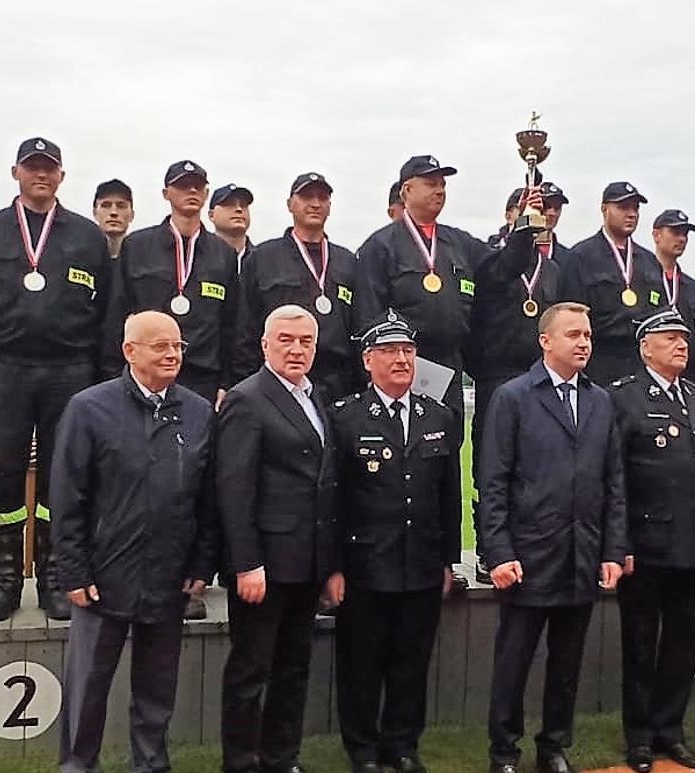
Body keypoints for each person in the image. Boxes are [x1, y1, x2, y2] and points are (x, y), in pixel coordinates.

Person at [50, 311, 215, 773]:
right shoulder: (88, 408)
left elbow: (207, 499)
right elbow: (67, 496)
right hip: (104, 577)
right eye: (159, 346)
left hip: (167, 576)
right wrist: (72, 571)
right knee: (88, 688)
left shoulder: (199, 411)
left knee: (156, 690)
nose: (172, 355)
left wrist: (202, 564)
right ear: (129, 352)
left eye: (178, 347)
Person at [0, 138, 111, 622]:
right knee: (1, 473)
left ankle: (54, 578)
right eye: (32, 167)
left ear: (62, 175)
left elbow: (105, 312)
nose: (41, 175)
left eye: (50, 168)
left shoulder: (87, 237)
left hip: (70, 370)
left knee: (62, 479)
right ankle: (4, 582)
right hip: (4, 368)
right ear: (15, 172)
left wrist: (103, 375)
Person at [478, 302, 627, 773]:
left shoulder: (602, 401)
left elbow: (614, 482)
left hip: (582, 554)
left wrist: (612, 547)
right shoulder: (514, 397)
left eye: (587, 334)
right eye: (572, 335)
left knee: (567, 663)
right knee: (513, 663)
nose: (584, 343)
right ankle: (504, 755)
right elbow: (492, 480)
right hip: (528, 555)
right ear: (546, 341)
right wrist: (497, 551)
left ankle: (555, 748)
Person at [329, 311, 462, 773]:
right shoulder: (345, 417)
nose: (402, 359)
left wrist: (449, 558)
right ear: (368, 360)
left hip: (421, 564)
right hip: (365, 566)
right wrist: (334, 567)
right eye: (389, 351)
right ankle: (363, 750)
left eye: (407, 350)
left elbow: (449, 498)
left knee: (411, 663)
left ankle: (402, 745)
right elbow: (333, 501)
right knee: (362, 665)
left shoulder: (438, 416)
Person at [217, 306, 342, 773]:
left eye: (305, 341)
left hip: (307, 562)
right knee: (250, 671)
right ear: (264, 344)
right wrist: (247, 563)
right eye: (286, 340)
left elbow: (325, 488)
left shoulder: (316, 398)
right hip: (263, 568)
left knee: (294, 666)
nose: (297, 350)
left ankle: (280, 757)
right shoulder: (247, 400)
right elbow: (233, 488)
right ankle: (242, 771)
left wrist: (330, 564)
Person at [609, 310, 695, 773]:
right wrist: (621, 542)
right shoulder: (625, 399)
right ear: (645, 347)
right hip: (646, 543)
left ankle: (670, 730)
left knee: (682, 643)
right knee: (639, 643)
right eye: (670, 337)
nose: (681, 345)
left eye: (684, 339)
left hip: (692, 543)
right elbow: (615, 477)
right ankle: (638, 736)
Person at [468, 183, 568, 583]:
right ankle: (487, 547)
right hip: (496, 375)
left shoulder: (556, 268)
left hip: (541, 379)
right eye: (539, 211)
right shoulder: (490, 256)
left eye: (553, 211)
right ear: (512, 213)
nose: (549, 218)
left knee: (539, 465)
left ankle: (535, 542)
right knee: (491, 463)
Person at [355, 156, 489, 416]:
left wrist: (523, 231)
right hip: (401, 363)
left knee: (448, 444)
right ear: (406, 190)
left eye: (442, 185)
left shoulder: (458, 242)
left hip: (449, 364)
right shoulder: (381, 245)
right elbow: (368, 315)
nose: (439, 190)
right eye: (430, 183)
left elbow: (500, 270)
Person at [102, 160, 240, 403]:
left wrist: (227, 382)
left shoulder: (223, 254)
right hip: (145, 375)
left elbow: (231, 325)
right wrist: (112, 376)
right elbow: (116, 315)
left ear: (207, 193)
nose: (192, 192)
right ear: (166, 193)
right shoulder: (137, 246)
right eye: (183, 186)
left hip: (203, 377)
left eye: (198, 187)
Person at [232, 173, 369, 401]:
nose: (315, 204)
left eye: (322, 198)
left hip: (338, 384)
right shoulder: (262, 258)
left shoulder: (348, 262)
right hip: (278, 384)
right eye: (306, 196)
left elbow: (358, 327)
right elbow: (244, 328)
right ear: (290, 204)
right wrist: (243, 384)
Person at [561, 182, 666, 385]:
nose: (631, 214)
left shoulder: (649, 261)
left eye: (635, 208)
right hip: (599, 365)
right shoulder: (581, 256)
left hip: (642, 367)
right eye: (623, 207)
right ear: (604, 209)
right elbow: (571, 317)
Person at [651, 209, 695, 377]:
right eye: (675, 232)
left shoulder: (692, 287)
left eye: (685, 234)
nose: (682, 239)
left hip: (689, 376)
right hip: (653, 374)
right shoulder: (642, 279)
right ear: (657, 235)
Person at [208, 183, 255, 264]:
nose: (239, 209)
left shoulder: (261, 259)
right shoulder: (197, 255)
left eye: (243, 205)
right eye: (229, 205)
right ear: (211, 215)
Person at [92, 179, 134, 258]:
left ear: (132, 215)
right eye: (106, 205)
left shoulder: (144, 258)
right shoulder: (82, 257)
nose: (113, 212)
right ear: (95, 213)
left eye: (121, 206)